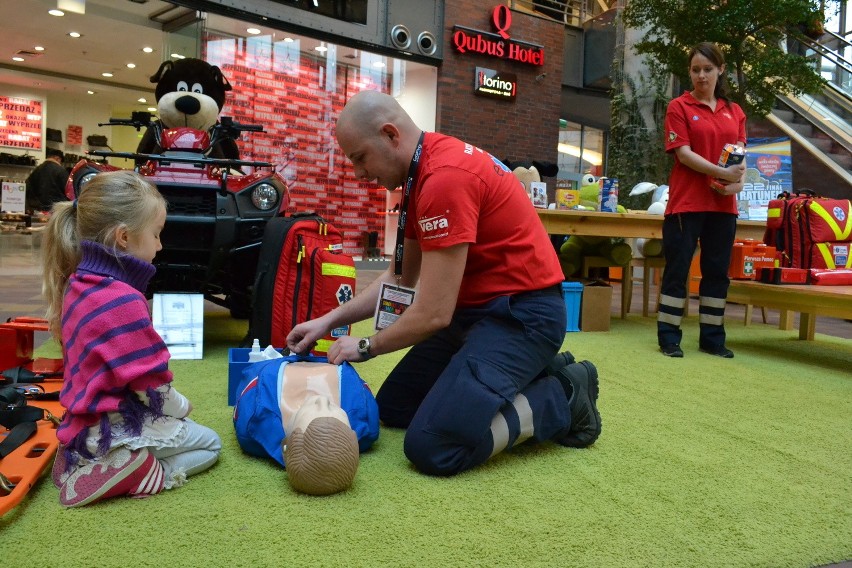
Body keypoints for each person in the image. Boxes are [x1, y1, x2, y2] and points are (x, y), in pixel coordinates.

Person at [286, 90, 601, 477]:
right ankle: (533, 370)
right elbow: (399, 278)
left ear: (390, 135)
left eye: (359, 157)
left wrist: (366, 346)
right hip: (476, 316)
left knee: (433, 447)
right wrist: (328, 321)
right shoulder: (421, 176)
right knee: (397, 406)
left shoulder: (444, 179)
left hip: (523, 317)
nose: (359, 174)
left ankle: (564, 395)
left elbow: (433, 313)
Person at [42, 170, 221, 507]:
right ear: (123, 237)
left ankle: (85, 460)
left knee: (180, 428)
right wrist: (182, 408)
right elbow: (150, 388)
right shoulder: (122, 299)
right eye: (156, 234)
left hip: (84, 423)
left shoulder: (79, 285)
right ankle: (144, 471)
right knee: (210, 443)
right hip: (116, 424)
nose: (160, 245)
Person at [657, 42, 747, 359]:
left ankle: (712, 338)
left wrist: (734, 185)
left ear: (720, 70)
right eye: (695, 69)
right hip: (686, 204)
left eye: (707, 69)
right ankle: (668, 337)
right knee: (677, 270)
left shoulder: (735, 112)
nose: (701, 75)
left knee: (717, 273)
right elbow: (684, 155)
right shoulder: (678, 107)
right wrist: (719, 173)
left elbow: (741, 160)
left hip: (724, 207)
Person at [25, 148, 68, 212]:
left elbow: (27, 188)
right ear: (57, 158)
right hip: (55, 209)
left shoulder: (37, 170)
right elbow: (68, 191)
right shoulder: (61, 171)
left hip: (37, 209)